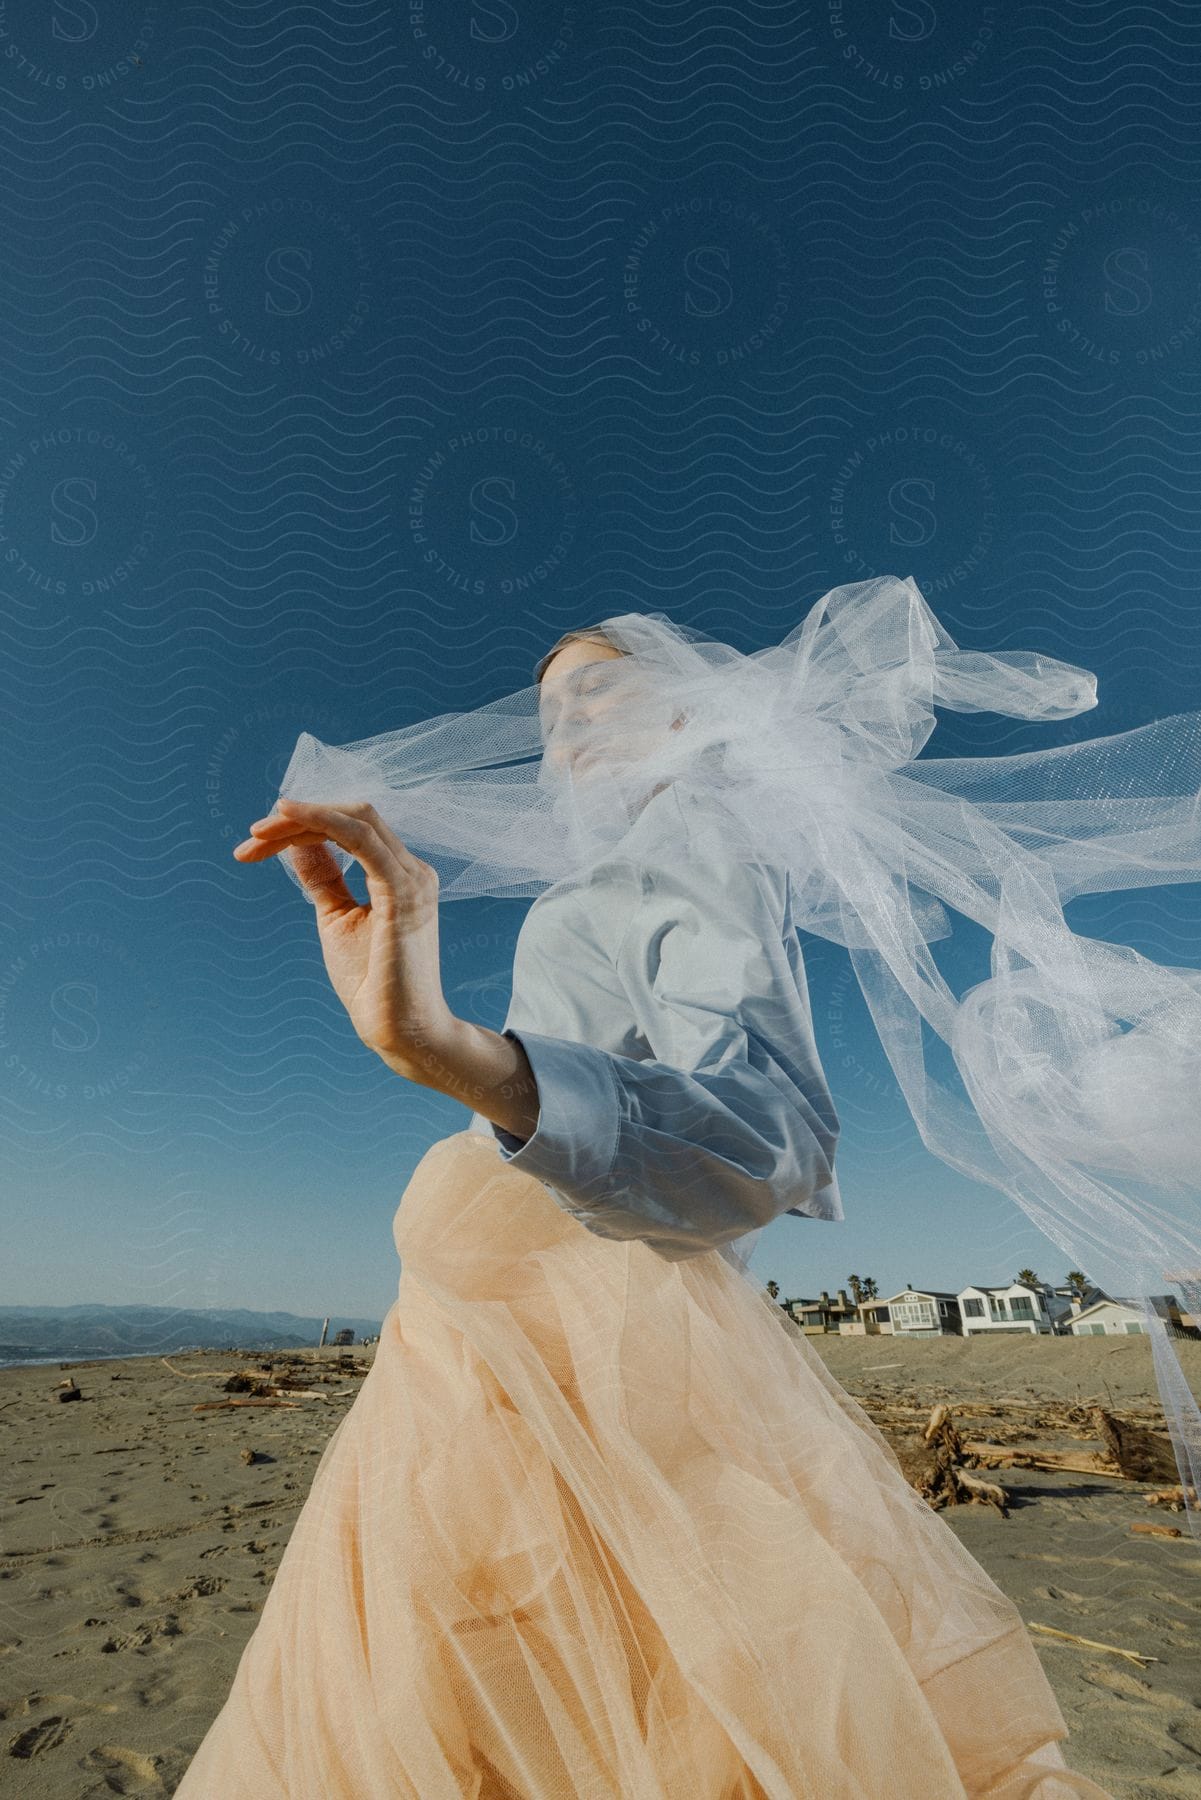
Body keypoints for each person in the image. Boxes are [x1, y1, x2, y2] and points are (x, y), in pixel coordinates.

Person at [173, 617, 1116, 1798]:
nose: (567, 729)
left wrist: (460, 1055)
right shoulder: (610, 874)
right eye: (550, 714)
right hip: (504, 1357)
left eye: (605, 694)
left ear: (691, 712)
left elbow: (773, 1133)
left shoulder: (693, 836)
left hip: (592, 1351)